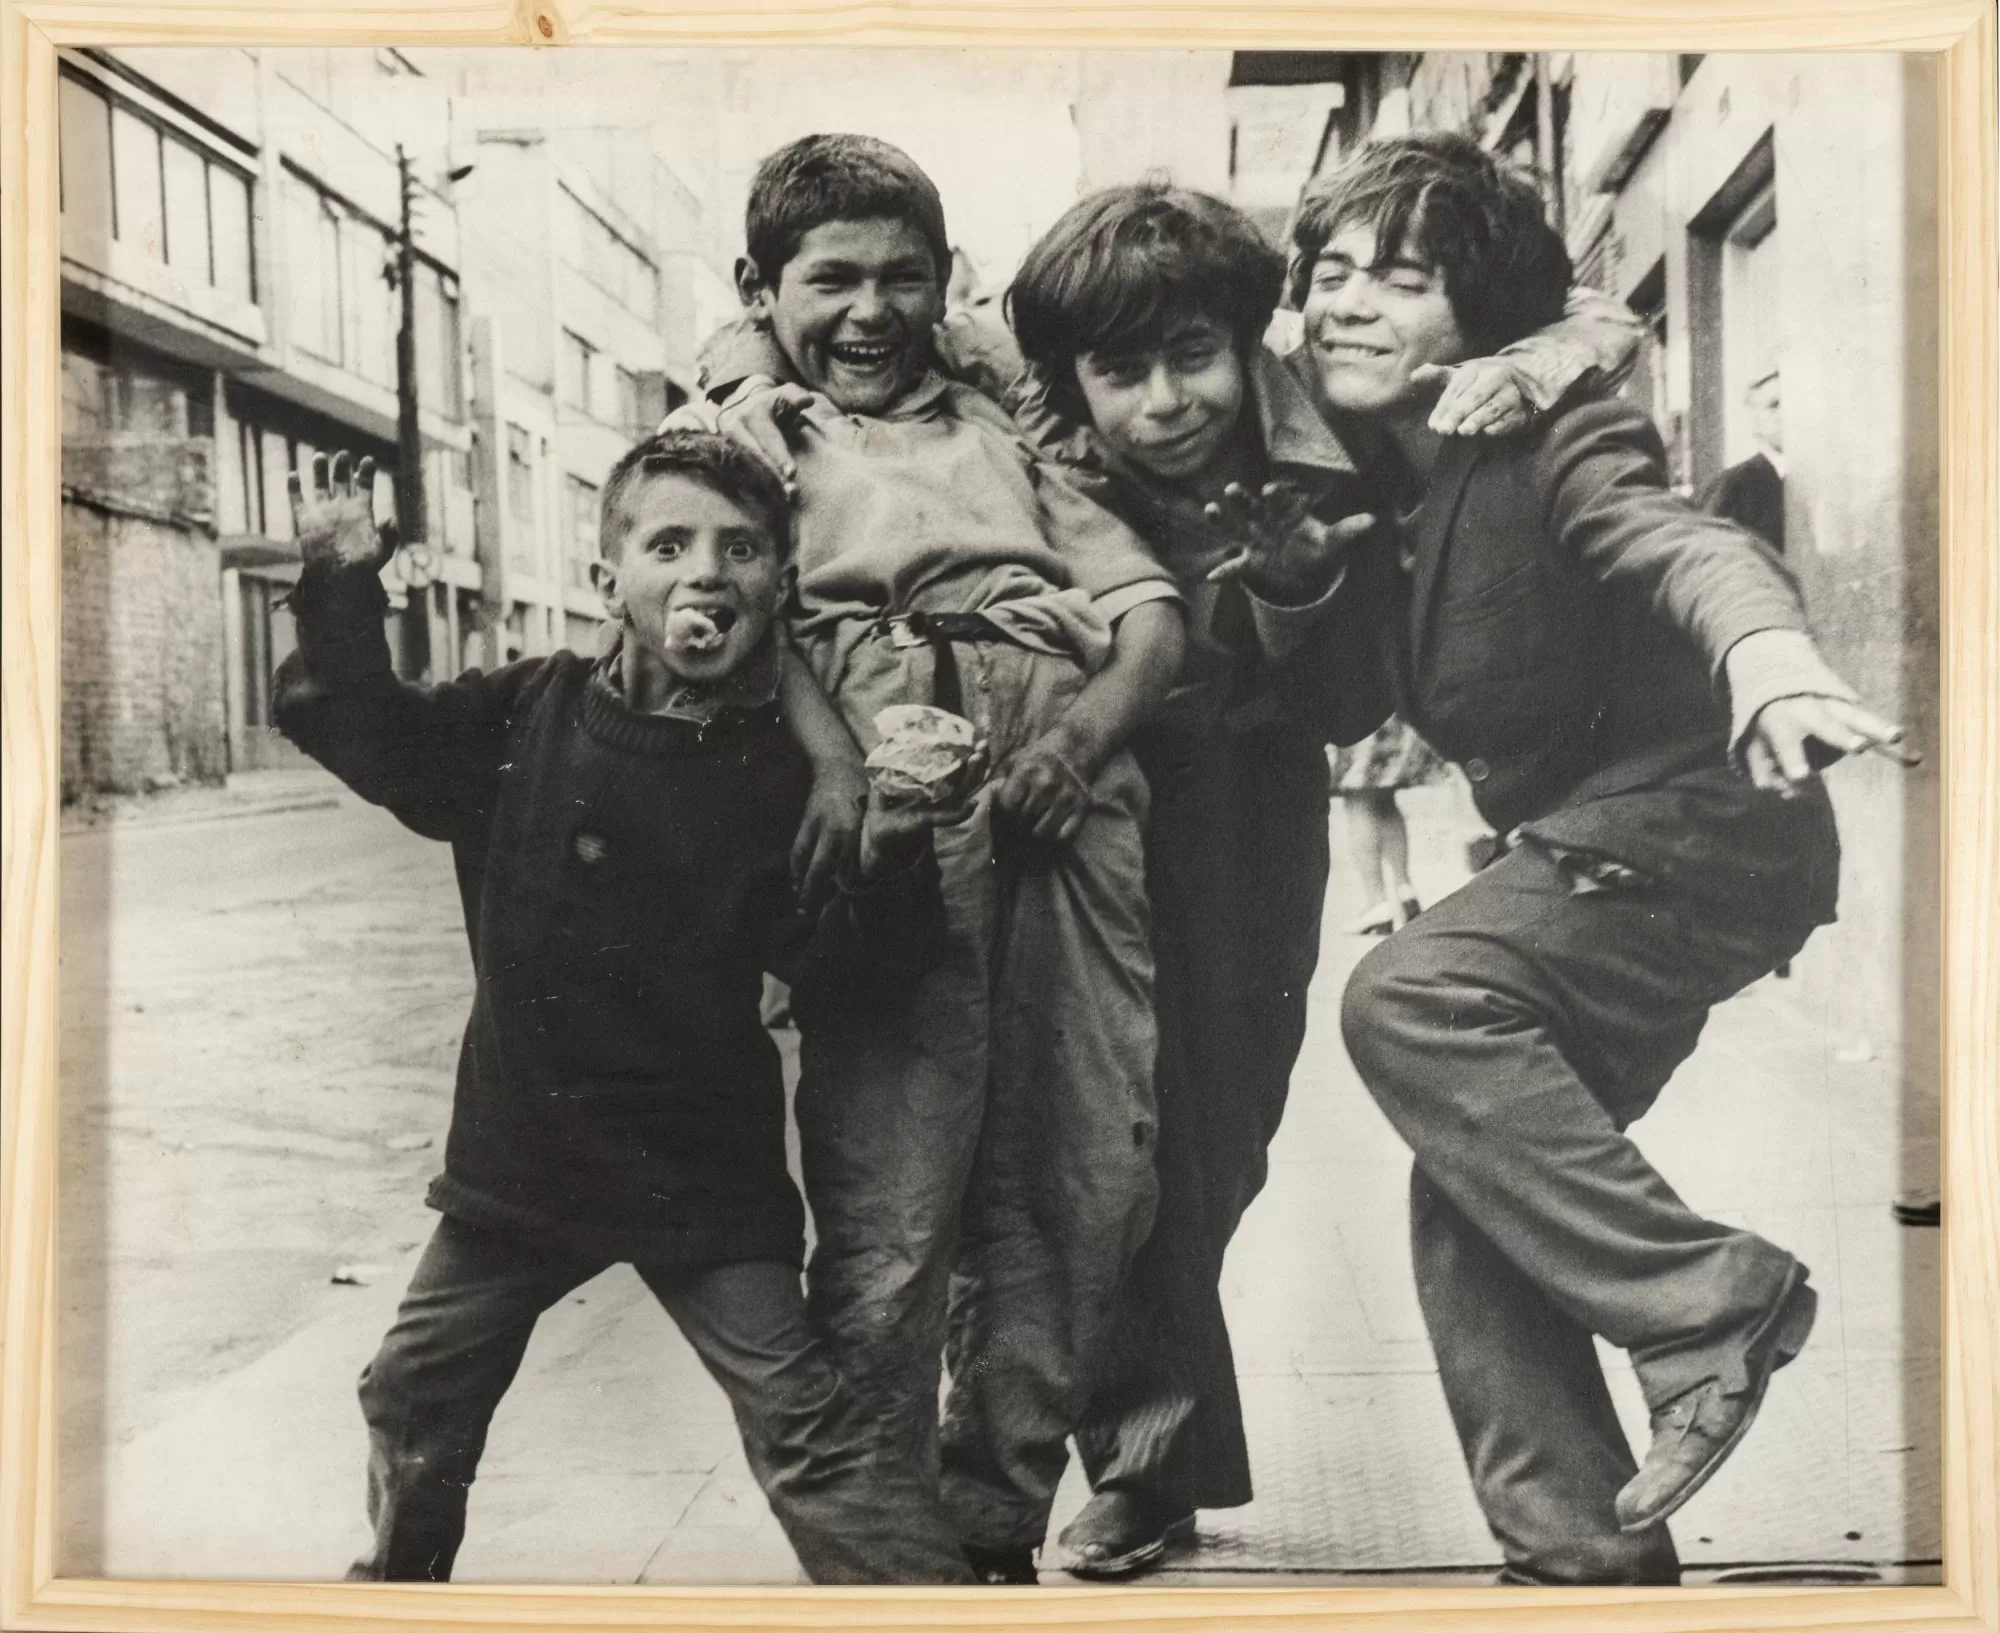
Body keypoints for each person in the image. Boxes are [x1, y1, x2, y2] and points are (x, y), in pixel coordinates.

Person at [703, 176, 1643, 1578]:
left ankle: (1138, 1444)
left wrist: (1292, 587)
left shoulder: (1325, 428)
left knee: (1215, 1148)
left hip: (1238, 826)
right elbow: (824, 322)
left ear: (1246, 338)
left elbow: (1344, 699)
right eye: (1121, 371)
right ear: (1070, 370)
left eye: (1192, 358)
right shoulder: (1021, 406)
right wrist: (734, 369)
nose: (1163, 402)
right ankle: (1139, 1461)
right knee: (1099, 1151)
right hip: (1064, 808)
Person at [1288, 132, 1905, 1584]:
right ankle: (1578, 1556)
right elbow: (1340, 707)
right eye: (1328, 274)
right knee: (1476, 1185)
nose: (1350, 304)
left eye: (1404, 277)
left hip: (1701, 824)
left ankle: (1708, 1298)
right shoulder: (1385, 492)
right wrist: (1282, 583)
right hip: (1592, 851)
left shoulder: (1555, 435)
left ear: (1482, 315)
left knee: (1407, 995)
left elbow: (1673, 539)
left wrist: (1763, 652)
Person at [273, 433, 977, 1586]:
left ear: (775, 591)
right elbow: (369, 729)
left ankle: (932, 1608)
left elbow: (853, 975)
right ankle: (395, 1591)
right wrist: (341, 588)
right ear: (610, 585)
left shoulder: (785, 778)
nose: (706, 573)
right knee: (413, 1388)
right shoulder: (525, 716)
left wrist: (890, 852)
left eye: (740, 549)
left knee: (805, 1426)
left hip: (695, 1172)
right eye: (670, 544)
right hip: (520, 1162)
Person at [665, 133, 1186, 1584]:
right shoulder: (750, 442)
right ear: (761, 290)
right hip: (885, 799)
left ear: (944, 285)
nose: (870, 311)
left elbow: (1148, 615)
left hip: (1066, 795)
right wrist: (835, 756)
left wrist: (1079, 740)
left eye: (904, 276)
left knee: (1084, 1171)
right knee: (893, 1192)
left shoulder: (1012, 432)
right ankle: (880, 1545)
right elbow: (717, 620)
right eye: (831, 279)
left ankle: (993, 1518)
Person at [1328, 719, 1446, 933]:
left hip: (1359, 720)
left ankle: (1377, 903)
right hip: (1391, 715)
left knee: (1358, 801)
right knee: (1385, 800)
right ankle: (1404, 888)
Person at [1698, 368, 1786, 551]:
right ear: (1755, 421)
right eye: (1774, 405)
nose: (1786, 413)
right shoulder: (1734, 487)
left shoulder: (1817, 485)